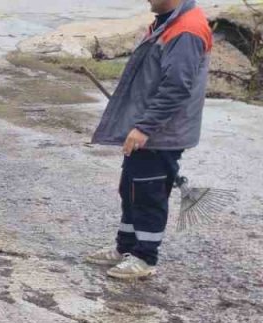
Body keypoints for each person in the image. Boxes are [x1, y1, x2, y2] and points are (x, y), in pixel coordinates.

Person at [87, 0, 213, 280]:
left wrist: (144, 127)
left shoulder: (186, 29)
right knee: (130, 189)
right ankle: (125, 248)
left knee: (148, 194)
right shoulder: (167, 22)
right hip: (150, 128)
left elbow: (177, 87)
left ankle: (145, 258)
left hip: (161, 133)